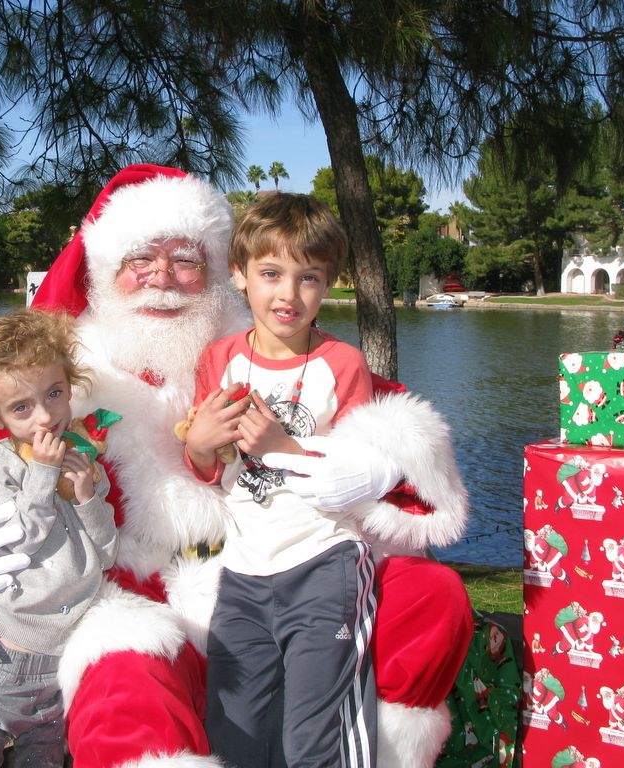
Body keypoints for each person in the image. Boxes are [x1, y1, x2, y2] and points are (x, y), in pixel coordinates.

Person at [0, 164, 472, 768]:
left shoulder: (259, 344)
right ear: (104, 275)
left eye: (184, 259)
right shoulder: (59, 380)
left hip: (274, 566)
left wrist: (380, 464)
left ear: (218, 273)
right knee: (124, 686)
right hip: (132, 594)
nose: (163, 280)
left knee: (428, 595)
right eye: (140, 261)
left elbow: (393, 422)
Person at [185, 193, 377, 766]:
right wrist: (198, 444)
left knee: (310, 740)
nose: (288, 295)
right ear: (240, 275)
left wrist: (283, 449)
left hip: (325, 564)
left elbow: (364, 477)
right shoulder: (220, 359)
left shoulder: (343, 365)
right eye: (271, 274)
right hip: (243, 572)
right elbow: (211, 469)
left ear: (330, 284)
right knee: (235, 732)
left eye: (309, 277)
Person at [0, 309, 119, 767]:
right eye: (21, 407)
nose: (45, 416)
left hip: (55, 668)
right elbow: (17, 542)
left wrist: (86, 498)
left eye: (54, 394)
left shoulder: (82, 459)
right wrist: (42, 474)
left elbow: (106, 553)